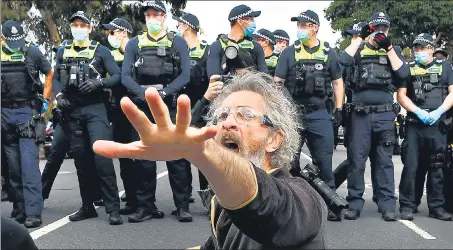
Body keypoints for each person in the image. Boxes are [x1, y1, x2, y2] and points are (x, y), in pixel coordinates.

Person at [93, 71, 328, 250]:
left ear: (274, 139)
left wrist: (200, 151)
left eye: (246, 115)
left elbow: (267, 205)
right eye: (222, 115)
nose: (227, 123)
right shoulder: (222, 205)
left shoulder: (304, 199)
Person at [121, 0, 192, 223]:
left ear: (164, 17)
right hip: (143, 107)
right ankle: (146, 207)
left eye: (156, 14)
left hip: (168, 106)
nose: (152, 19)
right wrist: (145, 96)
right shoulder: (135, 43)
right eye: (148, 15)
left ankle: (182, 206)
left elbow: (185, 74)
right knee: (144, 157)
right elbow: (125, 76)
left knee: (176, 157)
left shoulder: (177, 42)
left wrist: (165, 93)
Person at [52, 11, 122, 225]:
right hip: (73, 110)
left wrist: (98, 83)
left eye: (83, 25)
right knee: (81, 161)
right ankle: (87, 206)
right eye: (75, 25)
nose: (79, 28)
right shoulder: (63, 51)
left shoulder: (100, 51)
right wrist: (59, 95)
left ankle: (113, 209)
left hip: (95, 109)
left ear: (90, 28)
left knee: (102, 160)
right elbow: (55, 79)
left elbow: (118, 76)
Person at [274, 10, 345, 221]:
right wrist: (286, 110)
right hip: (293, 114)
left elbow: (338, 82)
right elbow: (277, 82)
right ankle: (288, 206)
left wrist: (339, 109)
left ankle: (329, 205)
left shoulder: (328, 52)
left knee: (324, 161)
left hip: (320, 114)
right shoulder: (289, 53)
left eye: (304, 25)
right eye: (299, 25)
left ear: (315, 27)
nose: (300, 29)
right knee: (288, 162)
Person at [338, 12, 409, 221]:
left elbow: (403, 74)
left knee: (384, 160)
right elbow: (341, 63)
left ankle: (387, 204)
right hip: (360, 115)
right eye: (376, 28)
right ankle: (354, 203)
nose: (380, 32)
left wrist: (387, 48)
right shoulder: (358, 50)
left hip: (385, 115)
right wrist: (359, 38)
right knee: (356, 160)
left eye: (384, 29)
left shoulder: (393, 50)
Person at [1, 20, 53, 228]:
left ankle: (33, 211)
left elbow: (49, 72)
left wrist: (46, 103)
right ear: (3, 37)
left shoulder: (32, 52)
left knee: (29, 165)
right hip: (4, 112)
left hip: (26, 112)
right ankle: (19, 208)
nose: (16, 44)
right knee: (12, 167)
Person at [397, 33, 453, 221]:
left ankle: (436, 207)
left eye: (422, 48)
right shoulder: (409, 69)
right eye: (416, 48)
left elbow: (452, 93)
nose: (419, 52)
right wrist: (418, 112)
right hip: (415, 124)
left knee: (437, 166)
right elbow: (401, 95)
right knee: (411, 166)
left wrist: (439, 111)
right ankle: (407, 205)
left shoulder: (445, 67)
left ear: (431, 49)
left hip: (437, 124)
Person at [333, 22, 379, 207]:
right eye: (353, 36)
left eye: (358, 35)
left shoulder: (374, 55)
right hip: (353, 113)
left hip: (375, 114)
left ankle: (380, 195)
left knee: (378, 156)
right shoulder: (349, 56)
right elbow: (338, 81)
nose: (355, 39)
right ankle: (334, 188)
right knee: (354, 157)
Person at [101, 17, 137, 214]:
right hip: (118, 112)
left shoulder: (138, 50)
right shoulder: (110, 56)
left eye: (112, 31)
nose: (109, 35)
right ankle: (132, 200)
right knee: (124, 156)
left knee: (141, 157)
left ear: (123, 32)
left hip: (138, 108)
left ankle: (145, 202)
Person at [174, 12, 210, 198]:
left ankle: (207, 195)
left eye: (179, 25)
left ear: (186, 26)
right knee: (181, 154)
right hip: (181, 108)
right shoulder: (176, 51)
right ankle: (184, 197)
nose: (177, 29)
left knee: (204, 154)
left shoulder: (207, 50)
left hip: (204, 108)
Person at [206, 4, 267, 78]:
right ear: (240, 21)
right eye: (251, 19)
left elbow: (264, 75)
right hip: (226, 88)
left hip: (251, 87)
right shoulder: (217, 46)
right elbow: (213, 77)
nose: (253, 22)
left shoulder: (255, 46)